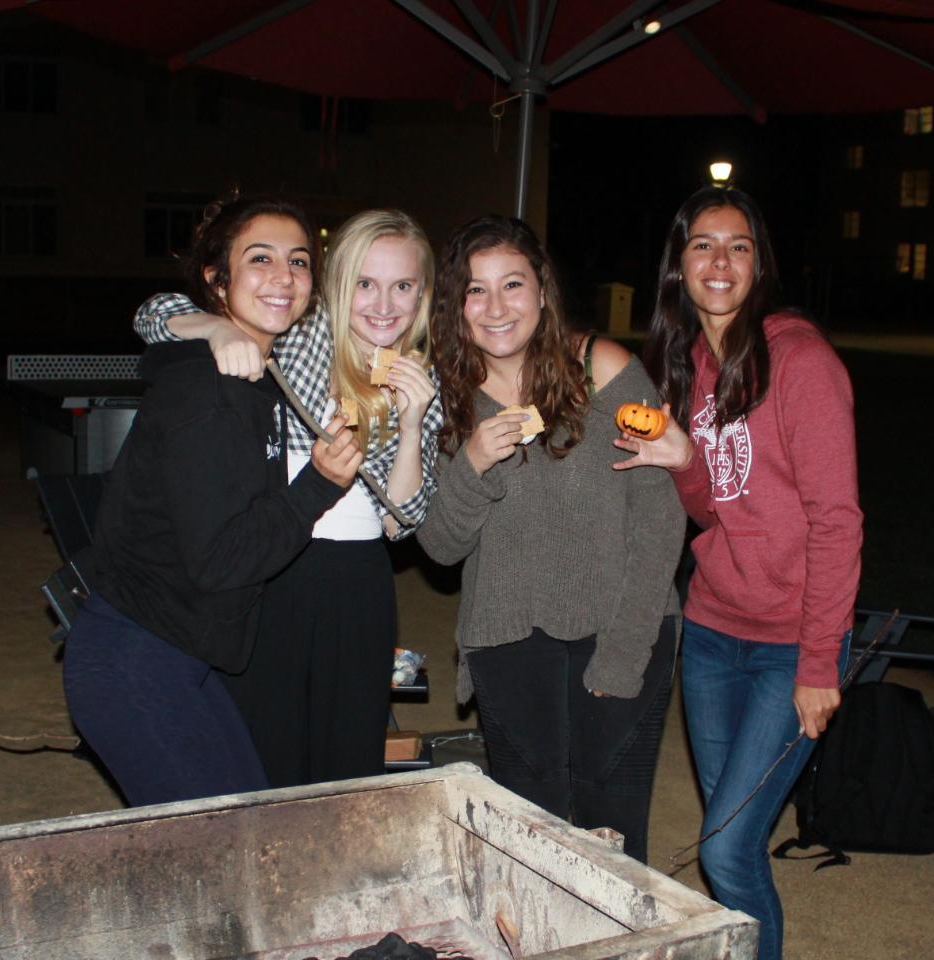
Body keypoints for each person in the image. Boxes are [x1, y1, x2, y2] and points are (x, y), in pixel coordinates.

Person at [614, 186, 863, 960]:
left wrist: (820, 662)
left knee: (723, 848)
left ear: (759, 264)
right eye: (702, 246)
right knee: (737, 845)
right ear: (678, 266)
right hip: (717, 633)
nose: (719, 262)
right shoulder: (690, 364)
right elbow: (710, 509)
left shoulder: (800, 361)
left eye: (738, 246)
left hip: (791, 647)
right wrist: (685, 459)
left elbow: (837, 520)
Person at [62, 196, 362, 806]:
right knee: (226, 847)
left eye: (299, 262)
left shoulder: (253, 376)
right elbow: (223, 561)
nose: (284, 277)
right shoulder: (211, 391)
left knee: (243, 824)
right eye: (261, 259)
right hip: (134, 658)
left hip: (174, 654)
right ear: (216, 279)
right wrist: (320, 485)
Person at [131, 209, 442, 786]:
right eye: (364, 285)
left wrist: (413, 423)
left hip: (357, 581)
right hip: (272, 567)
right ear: (338, 286)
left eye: (403, 286)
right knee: (264, 754)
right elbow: (153, 314)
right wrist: (218, 329)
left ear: (422, 294)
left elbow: (403, 522)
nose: (383, 305)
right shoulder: (297, 335)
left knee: (348, 759)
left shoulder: (421, 376)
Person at [416, 215, 685, 863]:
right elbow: (440, 547)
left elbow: (659, 513)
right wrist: (472, 463)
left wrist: (624, 652)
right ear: (456, 305)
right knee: (527, 841)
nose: (496, 307)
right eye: (475, 291)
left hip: (621, 626)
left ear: (543, 291)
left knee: (611, 838)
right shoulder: (445, 397)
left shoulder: (603, 370)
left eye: (513, 284)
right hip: (507, 638)